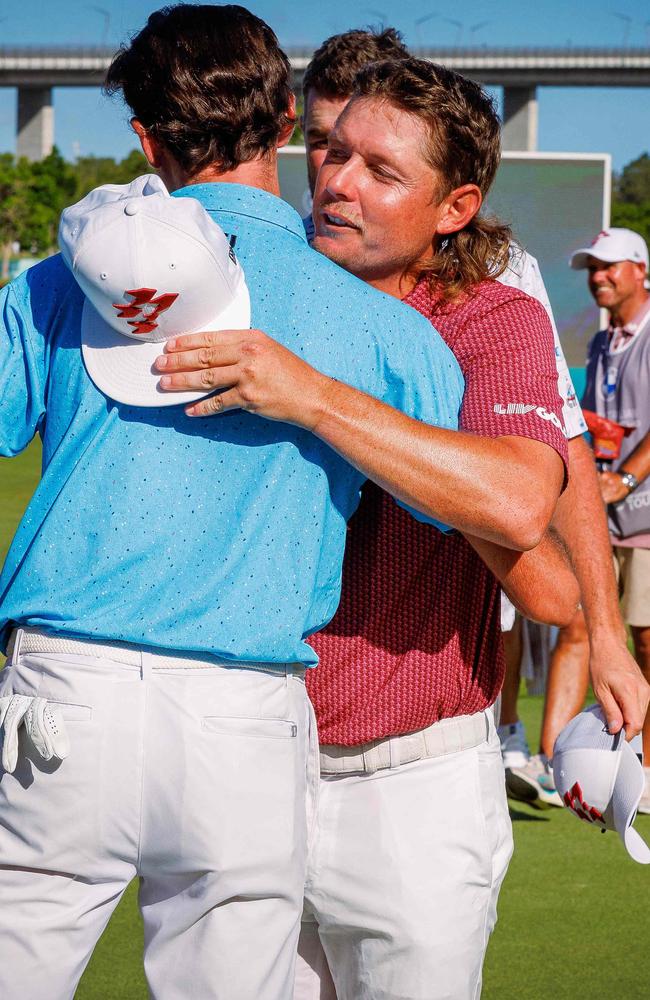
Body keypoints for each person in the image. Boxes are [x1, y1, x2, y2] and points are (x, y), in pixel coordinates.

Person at [0, 7, 468, 998]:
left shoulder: (49, 287)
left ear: (144, 138)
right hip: (238, 714)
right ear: (291, 116)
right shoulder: (385, 329)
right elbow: (448, 499)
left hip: (61, 694)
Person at [158, 54, 575, 1000]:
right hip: (234, 755)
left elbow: (521, 503)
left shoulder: (489, 317)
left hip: (410, 781)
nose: (337, 182)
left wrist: (314, 397)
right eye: (328, 150)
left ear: (455, 206)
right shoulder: (240, 279)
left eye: (381, 172)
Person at [506, 228, 650, 809]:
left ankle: (640, 769)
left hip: (642, 511)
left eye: (610, 267)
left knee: (644, 639)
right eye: (593, 268)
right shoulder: (600, 341)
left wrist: (627, 477)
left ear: (641, 271)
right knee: (579, 625)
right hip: (605, 509)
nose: (599, 277)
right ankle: (551, 763)